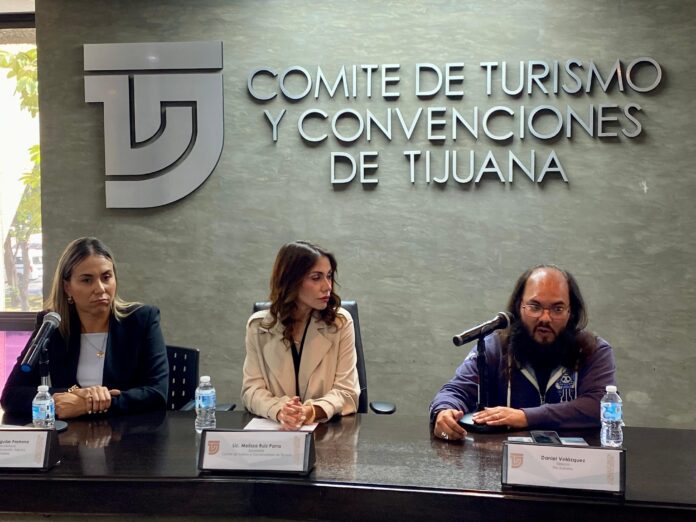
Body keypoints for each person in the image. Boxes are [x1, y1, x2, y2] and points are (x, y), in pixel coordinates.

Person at [430, 265, 616, 441]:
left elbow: (599, 405)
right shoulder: (495, 348)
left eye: (557, 309)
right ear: (519, 307)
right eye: (535, 307)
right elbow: (456, 390)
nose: (545, 318)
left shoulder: (594, 351)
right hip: (502, 460)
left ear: (571, 312)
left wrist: (525, 417)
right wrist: (444, 411)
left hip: (573, 460)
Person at [1, 237, 169, 418]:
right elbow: (10, 395)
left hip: (126, 432)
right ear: (67, 287)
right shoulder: (52, 325)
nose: (100, 288)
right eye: (87, 280)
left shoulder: (141, 320)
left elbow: (157, 394)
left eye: (106, 277)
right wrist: (62, 397)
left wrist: (89, 404)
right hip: (69, 433)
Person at [242, 240, 360, 430]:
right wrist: (281, 411)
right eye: (316, 278)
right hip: (277, 432)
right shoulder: (259, 327)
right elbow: (252, 391)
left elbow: (347, 393)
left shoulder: (340, 323)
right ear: (291, 281)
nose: (327, 286)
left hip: (328, 432)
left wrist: (310, 411)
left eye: (329, 276)